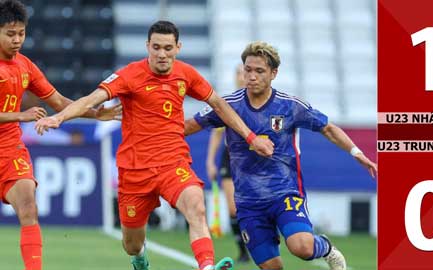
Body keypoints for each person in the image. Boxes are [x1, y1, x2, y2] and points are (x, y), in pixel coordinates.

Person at [34, 21, 274, 270]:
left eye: (168, 48)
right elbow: (91, 100)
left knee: (196, 206)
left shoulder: (186, 74)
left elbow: (219, 104)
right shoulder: (129, 75)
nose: (162, 54)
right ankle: (140, 258)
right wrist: (59, 117)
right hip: (135, 170)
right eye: (156, 47)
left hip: (172, 163)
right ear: (147, 45)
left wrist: (251, 137)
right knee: (132, 244)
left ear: (178, 47)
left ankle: (206, 266)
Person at [184, 41, 377, 270]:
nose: (252, 76)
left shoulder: (289, 106)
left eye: (259, 71)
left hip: (284, 193)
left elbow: (328, 128)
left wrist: (357, 153)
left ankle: (324, 247)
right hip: (248, 202)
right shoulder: (228, 105)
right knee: (272, 267)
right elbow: (187, 126)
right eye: (248, 70)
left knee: (302, 247)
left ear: (274, 73)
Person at [0, 1, 120, 270]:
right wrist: (21, 116)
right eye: (10, 34)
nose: (17, 39)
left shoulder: (25, 66)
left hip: (9, 150)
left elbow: (58, 101)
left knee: (29, 206)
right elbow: (24, 113)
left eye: (21, 33)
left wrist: (94, 113)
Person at [206, 64, 250, 263]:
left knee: (254, 206)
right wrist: (210, 161)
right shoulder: (228, 102)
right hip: (230, 157)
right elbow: (216, 135)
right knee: (232, 208)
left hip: (252, 159)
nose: (242, 77)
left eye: (245, 73)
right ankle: (242, 251)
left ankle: (260, 242)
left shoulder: (258, 102)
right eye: (239, 73)